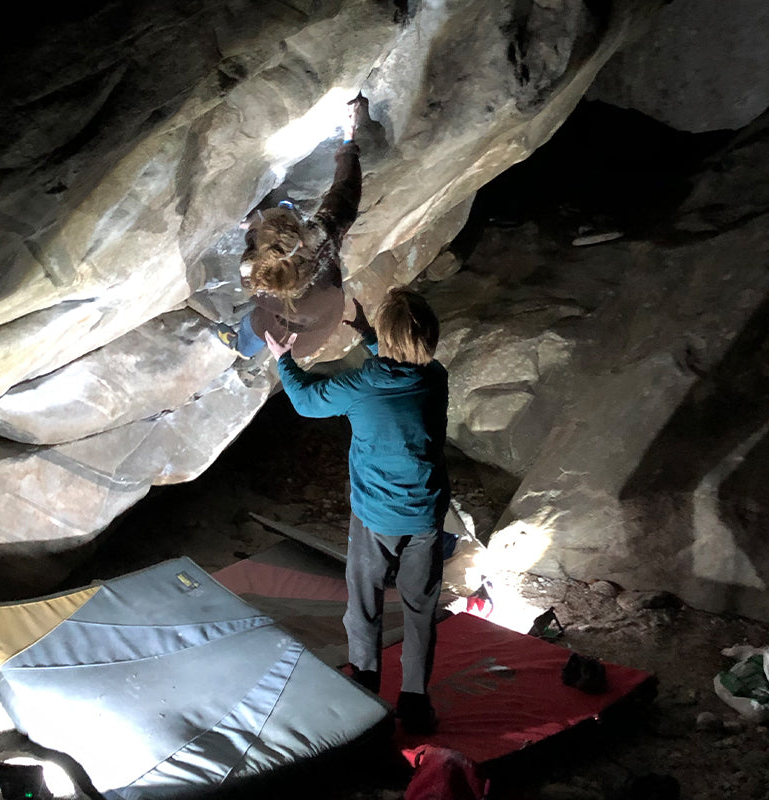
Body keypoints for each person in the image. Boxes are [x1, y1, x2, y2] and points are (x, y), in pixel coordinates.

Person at [265, 287, 449, 735]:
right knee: (419, 609)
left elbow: (307, 402)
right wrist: (372, 338)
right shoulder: (435, 378)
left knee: (363, 605)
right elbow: (404, 362)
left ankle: (365, 691)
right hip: (424, 517)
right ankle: (415, 704)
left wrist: (283, 360)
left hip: (375, 518)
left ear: (388, 337)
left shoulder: (362, 386)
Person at [217, 94, 368, 360]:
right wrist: (348, 137)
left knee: (254, 326)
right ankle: (245, 349)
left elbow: (257, 246)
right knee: (262, 323)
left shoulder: (251, 274)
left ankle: (240, 348)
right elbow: (344, 195)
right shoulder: (319, 241)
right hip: (313, 328)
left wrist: (252, 228)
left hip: (282, 322)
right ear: (298, 238)